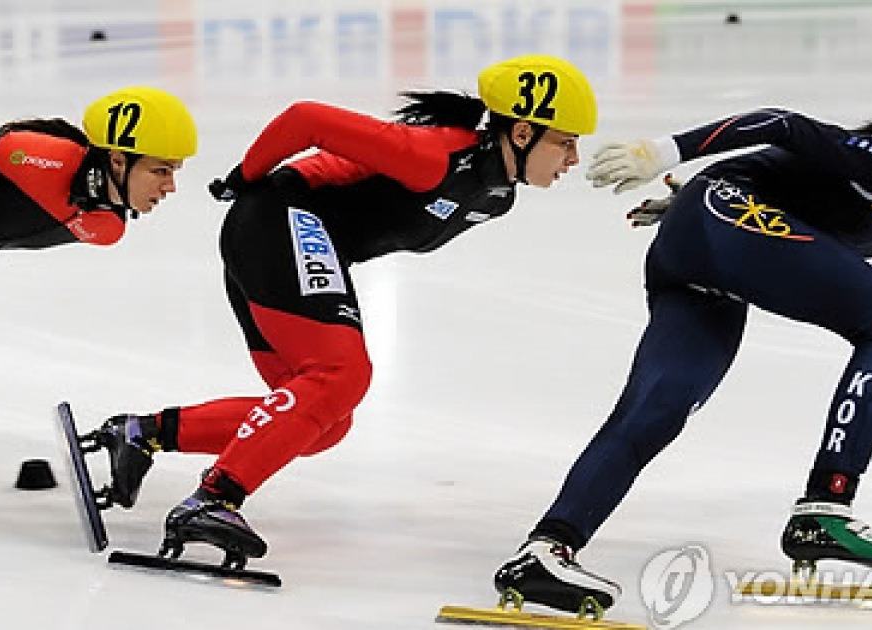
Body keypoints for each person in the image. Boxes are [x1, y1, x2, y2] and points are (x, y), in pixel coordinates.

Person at [491, 60, 872, 613]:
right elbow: (783, 125)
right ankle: (826, 504)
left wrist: (693, 197)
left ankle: (546, 548)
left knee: (658, 408)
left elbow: (804, 182)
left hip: (709, 235)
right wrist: (667, 156)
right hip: (723, 217)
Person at [89, 54, 598, 561]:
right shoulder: (437, 157)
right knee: (342, 373)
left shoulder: (496, 194)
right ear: (525, 132)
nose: (573, 159)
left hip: (288, 239)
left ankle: (142, 433)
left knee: (323, 424)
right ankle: (214, 499)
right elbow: (306, 120)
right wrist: (244, 178)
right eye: (566, 142)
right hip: (278, 219)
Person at [0, 87, 197, 441]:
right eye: (161, 170)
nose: (170, 187)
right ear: (119, 160)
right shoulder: (50, 159)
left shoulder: (106, 226)